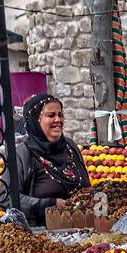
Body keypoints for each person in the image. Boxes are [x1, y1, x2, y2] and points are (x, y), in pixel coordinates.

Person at [11, 93, 91, 226]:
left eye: (60, 115)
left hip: (83, 232)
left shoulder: (70, 147)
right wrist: (50, 204)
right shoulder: (22, 155)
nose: (58, 120)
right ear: (34, 120)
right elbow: (8, 199)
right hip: (41, 236)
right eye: (51, 115)